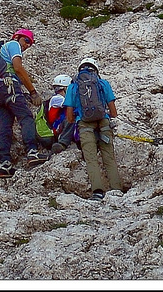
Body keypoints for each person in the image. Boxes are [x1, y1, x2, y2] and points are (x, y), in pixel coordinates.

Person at [64, 56, 122, 200]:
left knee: (91, 159)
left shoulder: (73, 86)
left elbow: (69, 116)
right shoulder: (102, 83)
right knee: (108, 157)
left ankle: (97, 191)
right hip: (104, 123)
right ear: (96, 70)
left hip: (84, 124)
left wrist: (79, 117)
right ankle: (117, 190)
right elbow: (114, 112)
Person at [0, 29, 45, 178]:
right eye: (26, 41)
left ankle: (4, 164)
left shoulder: (0, 53)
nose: (28, 45)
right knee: (26, 117)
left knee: (4, 127)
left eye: (31, 43)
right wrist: (33, 92)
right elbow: (18, 68)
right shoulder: (13, 44)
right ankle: (32, 152)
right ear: (18, 37)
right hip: (9, 86)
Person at [35, 74, 77, 152]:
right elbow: (72, 105)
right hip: (56, 128)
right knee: (71, 118)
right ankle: (63, 142)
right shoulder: (57, 98)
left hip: (59, 126)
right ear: (65, 88)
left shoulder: (58, 98)